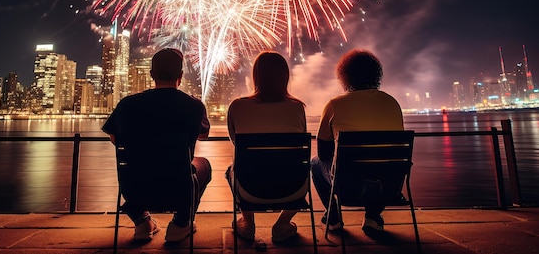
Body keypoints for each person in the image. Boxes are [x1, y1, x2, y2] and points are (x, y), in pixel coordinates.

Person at [102, 48, 212, 242]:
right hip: (177, 188)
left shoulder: (128, 105)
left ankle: (142, 222)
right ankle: (181, 223)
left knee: (134, 168)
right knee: (203, 164)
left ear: (151, 74)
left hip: (135, 189)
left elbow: (114, 138)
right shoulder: (193, 106)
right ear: (181, 75)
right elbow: (203, 135)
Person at [311, 49, 404, 233]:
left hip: (349, 190)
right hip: (388, 189)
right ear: (376, 74)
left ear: (344, 76)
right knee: (379, 169)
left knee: (315, 162)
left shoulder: (334, 104)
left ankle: (333, 217)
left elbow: (323, 154)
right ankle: (372, 216)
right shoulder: (392, 103)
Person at [225, 51, 307, 243]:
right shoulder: (297, 108)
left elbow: (235, 141)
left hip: (250, 186)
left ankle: (247, 222)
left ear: (256, 76)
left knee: (233, 168)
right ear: (285, 77)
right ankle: (283, 223)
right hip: (292, 186)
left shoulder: (237, 106)